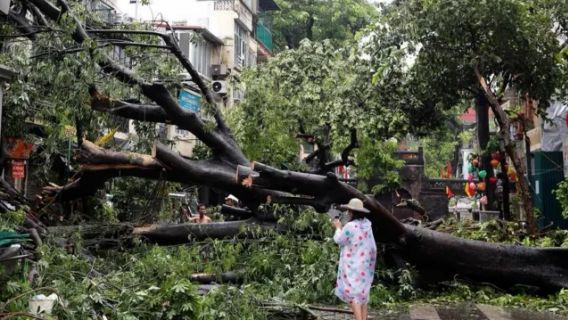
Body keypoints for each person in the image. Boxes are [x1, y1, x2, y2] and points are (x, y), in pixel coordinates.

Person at [333, 198, 377, 320]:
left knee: (353, 296)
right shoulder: (367, 224)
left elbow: (339, 240)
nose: (347, 213)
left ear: (352, 212)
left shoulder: (350, 226)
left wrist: (338, 227)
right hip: (365, 266)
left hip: (352, 266)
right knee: (363, 296)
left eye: (348, 211)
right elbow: (372, 246)